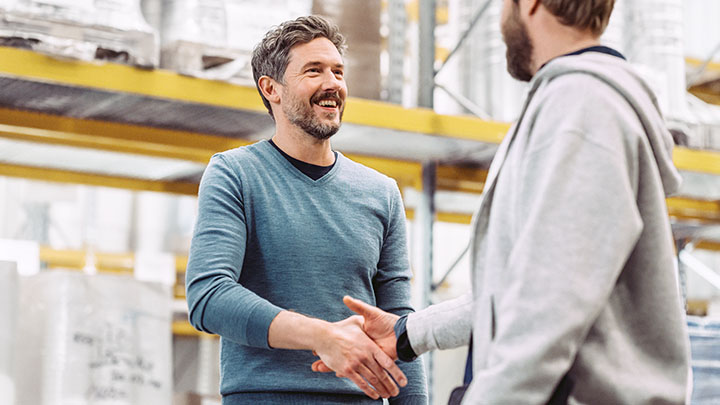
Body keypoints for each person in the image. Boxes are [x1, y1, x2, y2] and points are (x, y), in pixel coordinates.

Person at [314, 0, 692, 403]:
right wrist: (407, 333)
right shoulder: (573, 103)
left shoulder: (581, 107)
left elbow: (548, 307)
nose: (499, 20)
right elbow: (523, 287)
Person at [184, 15, 428, 405]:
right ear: (271, 88)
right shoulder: (235, 174)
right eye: (314, 71)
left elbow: (397, 325)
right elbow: (208, 296)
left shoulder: (381, 193)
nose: (332, 84)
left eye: (338, 72)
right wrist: (322, 336)